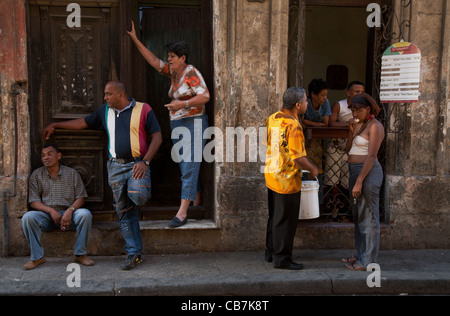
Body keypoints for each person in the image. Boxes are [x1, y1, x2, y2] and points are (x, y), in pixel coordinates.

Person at [43, 81, 163, 270]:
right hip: (115, 167)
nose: (105, 98)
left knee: (138, 196)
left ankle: (131, 204)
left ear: (120, 94)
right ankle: (134, 253)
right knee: (123, 211)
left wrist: (145, 162)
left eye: (108, 94)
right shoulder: (105, 111)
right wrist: (56, 125)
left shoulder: (143, 109)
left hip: (137, 164)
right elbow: (83, 122)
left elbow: (157, 137)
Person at [127, 21, 210, 228]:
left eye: (172, 57)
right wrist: (136, 40)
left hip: (194, 122)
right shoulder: (174, 73)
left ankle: (182, 213)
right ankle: (196, 201)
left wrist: (182, 103)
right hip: (179, 124)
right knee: (186, 164)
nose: (169, 60)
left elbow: (205, 96)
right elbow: (154, 61)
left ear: (182, 58)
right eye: (169, 57)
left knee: (189, 166)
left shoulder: (191, 73)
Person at [264, 87, 319, 270]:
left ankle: (270, 252)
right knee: (286, 220)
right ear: (297, 105)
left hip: (272, 174)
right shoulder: (294, 126)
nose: (307, 103)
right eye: (305, 101)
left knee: (275, 217)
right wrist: (312, 169)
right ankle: (282, 259)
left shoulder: (273, 118)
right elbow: (297, 157)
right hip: (286, 179)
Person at [22, 144, 94, 270]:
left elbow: (81, 197)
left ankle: (80, 254)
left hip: (69, 215)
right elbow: (33, 202)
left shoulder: (71, 174)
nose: (46, 158)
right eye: (43, 155)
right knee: (28, 217)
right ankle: (37, 257)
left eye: (50, 154)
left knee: (85, 214)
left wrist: (70, 211)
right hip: (47, 217)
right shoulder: (37, 175)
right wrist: (51, 211)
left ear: (58, 156)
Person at [342, 93, 385, 271]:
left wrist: (360, 181)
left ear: (368, 109)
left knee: (369, 216)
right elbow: (348, 149)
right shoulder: (359, 124)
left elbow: (372, 155)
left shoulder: (375, 126)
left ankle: (368, 261)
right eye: (353, 110)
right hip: (355, 171)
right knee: (359, 216)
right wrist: (351, 133)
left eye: (359, 110)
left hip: (368, 172)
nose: (355, 113)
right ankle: (360, 254)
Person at [324, 81, 365, 219]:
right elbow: (331, 123)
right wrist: (347, 124)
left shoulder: (364, 108)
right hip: (335, 147)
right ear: (348, 92)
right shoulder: (339, 105)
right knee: (332, 178)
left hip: (352, 148)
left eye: (362, 92)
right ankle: (334, 207)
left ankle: (348, 208)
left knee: (349, 179)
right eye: (356, 91)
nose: (360, 94)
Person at [301, 78, 332, 203]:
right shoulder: (305, 103)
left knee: (316, 168)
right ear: (313, 94)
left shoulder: (326, 103)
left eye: (326, 95)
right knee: (303, 167)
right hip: (304, 140)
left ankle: (316, 202)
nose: (324, 98)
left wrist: (310, 124)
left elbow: (326, 123)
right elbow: (302, 121)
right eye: (322, 95)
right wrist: (317, 125)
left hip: (318, 141)